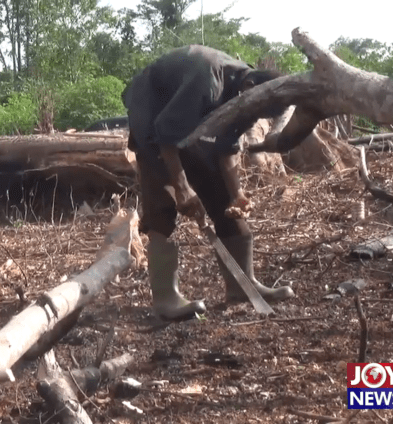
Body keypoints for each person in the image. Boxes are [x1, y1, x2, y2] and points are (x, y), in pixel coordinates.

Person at [124, 45, 296, 321]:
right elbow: (165, 133)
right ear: (250, 87)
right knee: (163, 199)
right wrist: (182, 188)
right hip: (152, 114)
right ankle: (166, 298)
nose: (257, 117)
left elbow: (226, 146)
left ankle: (242, 285)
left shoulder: (249, 98)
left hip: (183, 122)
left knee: (224, 200)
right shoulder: (208, 81)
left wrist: (236, 193)